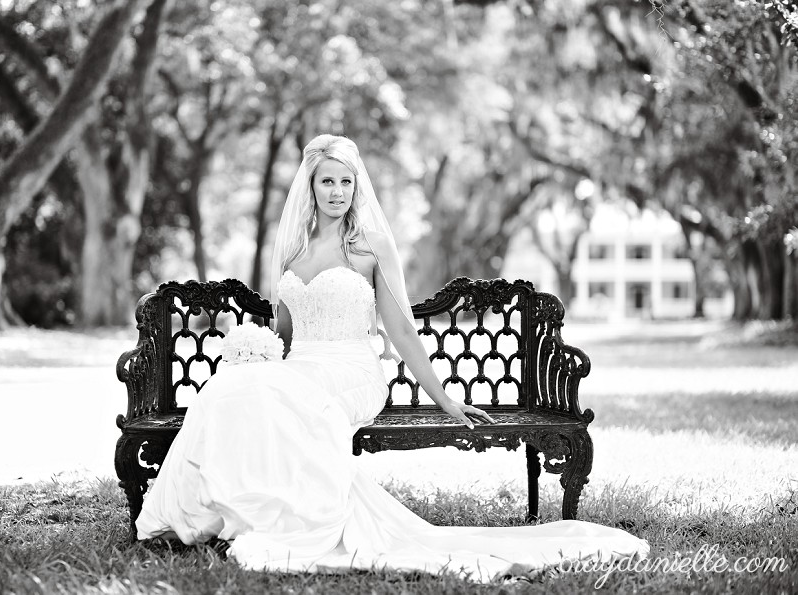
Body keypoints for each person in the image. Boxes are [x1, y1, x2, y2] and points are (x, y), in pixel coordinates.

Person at [135, 134, 649, 582]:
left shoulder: (372, 247)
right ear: (310, 189)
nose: (337, 192)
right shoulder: (292, 253)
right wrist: (257, 356)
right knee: (229, 389)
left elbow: (400, 328)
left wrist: (445, 399)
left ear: (356, 189)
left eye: (345, 183)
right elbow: (285, 333)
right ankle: (219, 516)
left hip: (353, 371)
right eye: (327, 183)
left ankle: (282, 523)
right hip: (301, 367)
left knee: (281, 396)